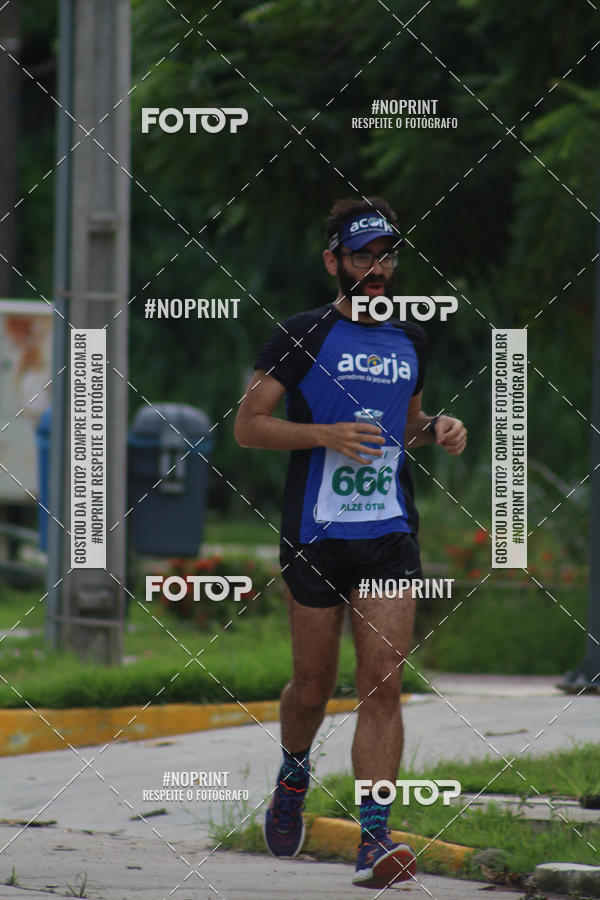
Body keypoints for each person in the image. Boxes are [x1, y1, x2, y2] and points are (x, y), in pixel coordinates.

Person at [234, 197, 467, 890]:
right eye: (362, 256)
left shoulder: (409, 341)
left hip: (389, 535)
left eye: (385, 256)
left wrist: (440, 429)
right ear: (333, 260)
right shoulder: (301, 336)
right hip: (315, 534)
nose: (375, 269)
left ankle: (374, 840)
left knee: (382, 684)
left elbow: (409, 423)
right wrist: (325, 436)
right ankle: (293, 777)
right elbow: (249, 426)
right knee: (312, 685)